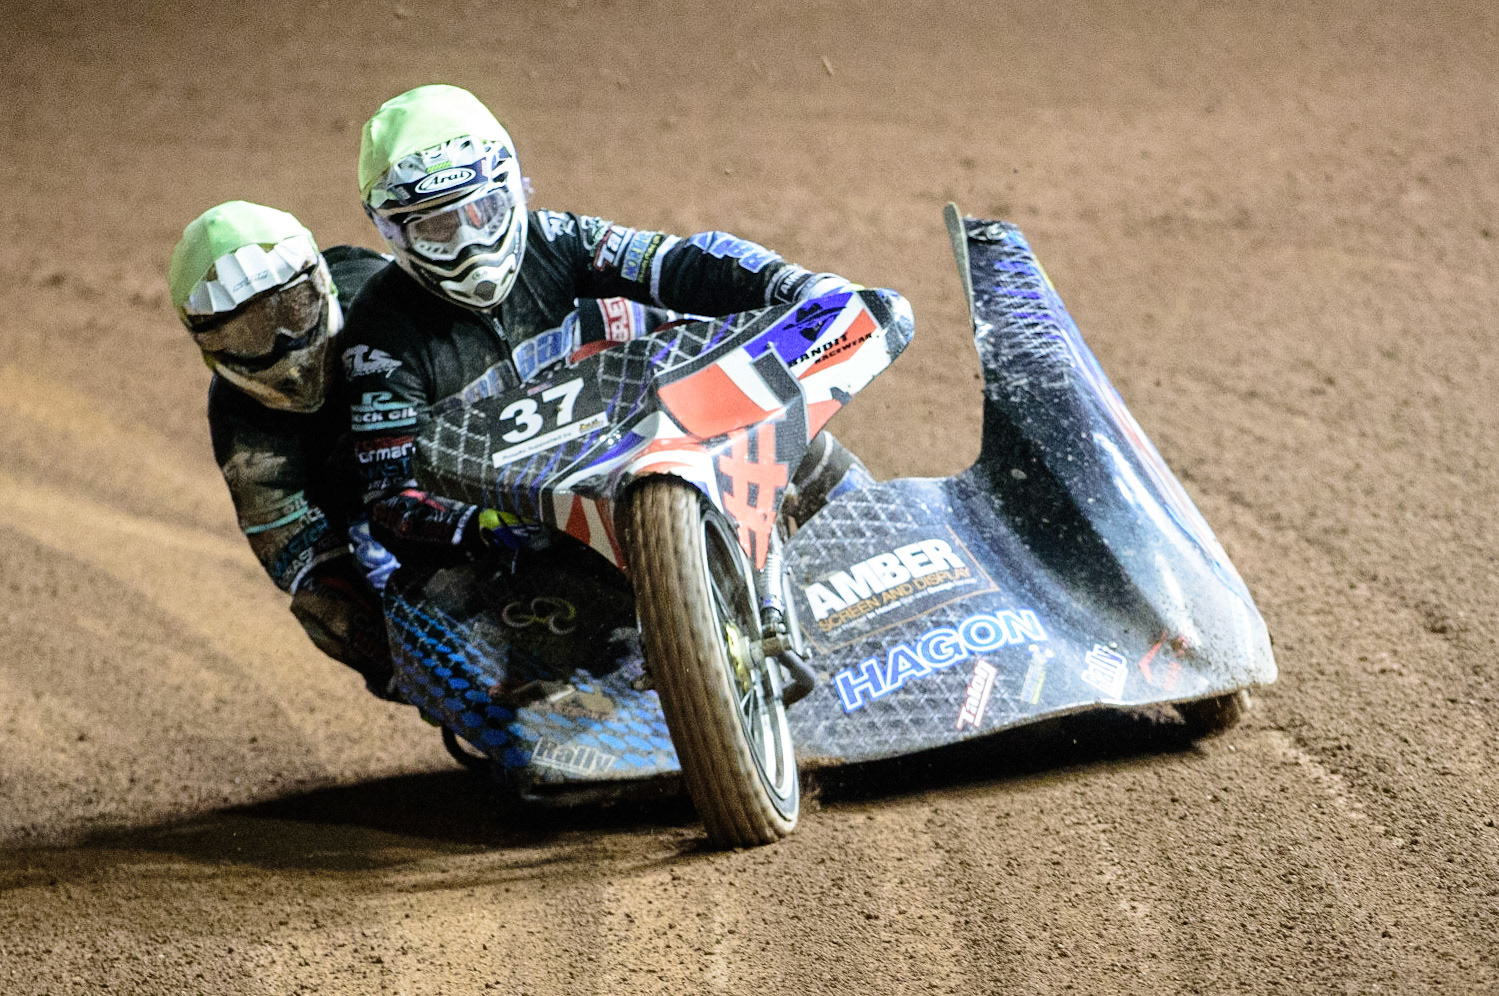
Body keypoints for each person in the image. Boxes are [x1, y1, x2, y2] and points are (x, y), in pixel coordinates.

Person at [342, 83, 874, 567]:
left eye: (484, 211)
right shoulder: (379, 338)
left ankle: (890, 544)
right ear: (393, 231)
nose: (469, 243)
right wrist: (479, 526)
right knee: (449, 627)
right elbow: (391, 501)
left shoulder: (556, 238)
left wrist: (793, 286)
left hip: (632, 445)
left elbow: (675, 262)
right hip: (528, 529)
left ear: (512, 189)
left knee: (790, 437)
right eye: (438, 226)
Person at [167, 201, 401, 699]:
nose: (283, 348)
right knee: (327, 603)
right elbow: (286, 539)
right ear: (209, 346)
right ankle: (435, 683)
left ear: (322, 282)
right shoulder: (239, 419)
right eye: (247, 334)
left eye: (291, 311)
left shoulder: (383, 296)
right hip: (361, 517)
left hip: (452, 470)